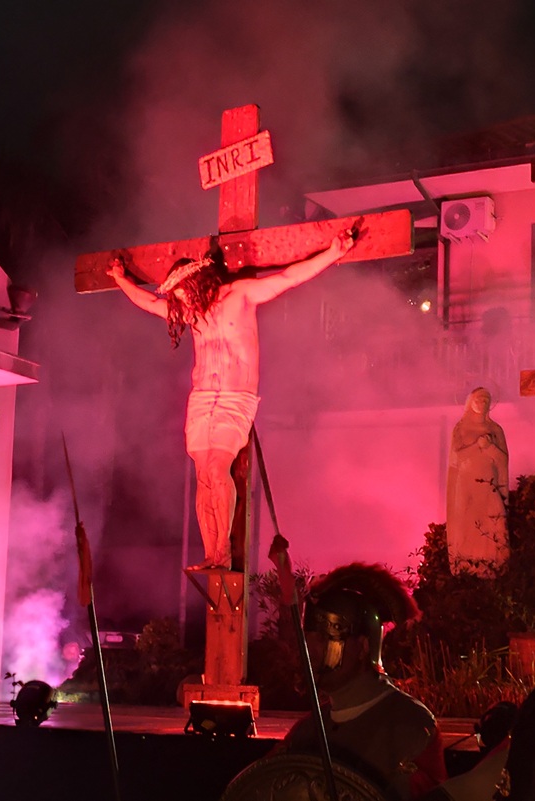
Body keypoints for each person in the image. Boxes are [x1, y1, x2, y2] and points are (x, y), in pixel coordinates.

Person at [108, 232, 355, 570]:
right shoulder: (190, 313)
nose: (181, 300)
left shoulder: (241, 295)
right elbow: (150, 303)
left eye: (183, 292)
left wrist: (333, 252)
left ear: (197, 283)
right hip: (201, 398)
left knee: (216, 467)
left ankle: (221, 552)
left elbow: (288, 277)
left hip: (235, 397)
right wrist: (121, 280)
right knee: (202, 475)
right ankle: (210, 552)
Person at [278, 562, 446, 800]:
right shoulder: (306, 731)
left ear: (363, 646)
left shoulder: (411, 728)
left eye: (325, 639)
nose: (311, 652)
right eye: (309, 640)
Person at [446, 387, 509, 577]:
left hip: (489, 484)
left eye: (486, 399)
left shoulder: (495, 430)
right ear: (470, 403)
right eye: (478, 399)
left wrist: (489, 447)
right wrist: (477, 446)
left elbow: (502, 460)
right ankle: (466, 569)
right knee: (467, 524)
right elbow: (457, 458)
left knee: (495, 521)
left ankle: (494, 568)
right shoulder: (461, 428)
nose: (482, 403)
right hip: (466, 484)